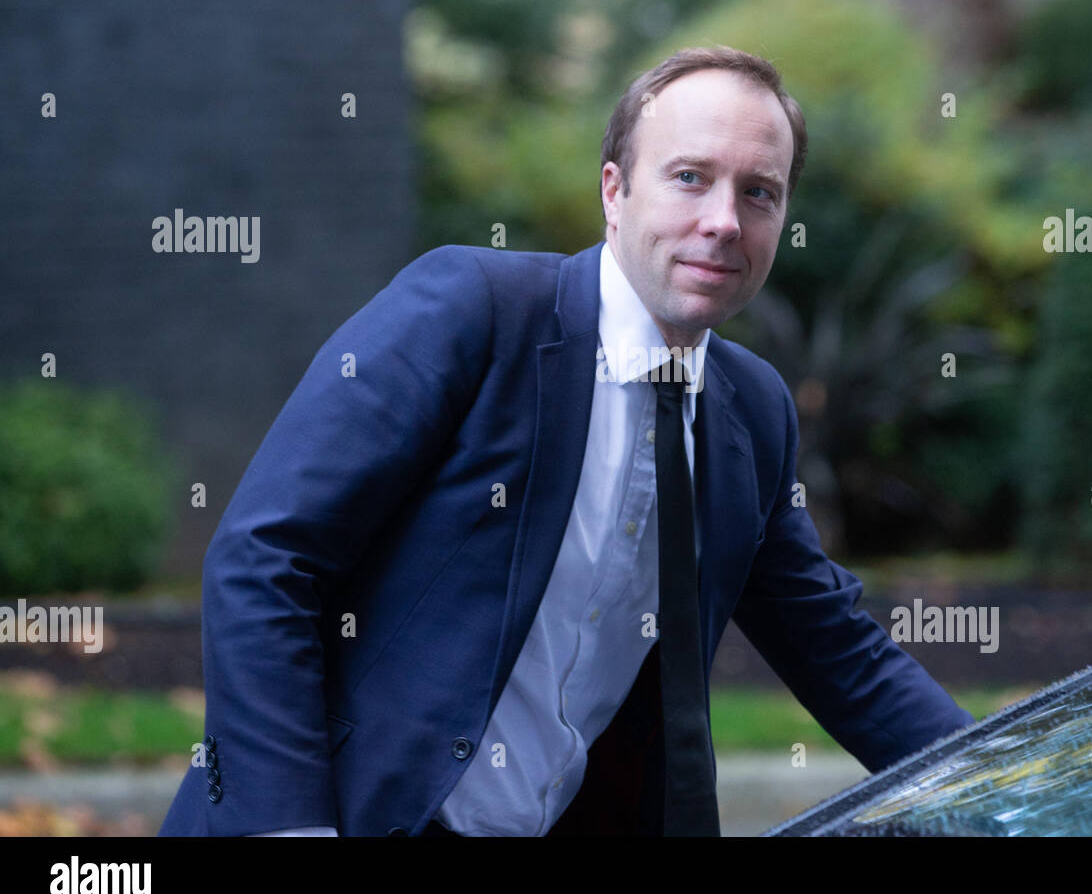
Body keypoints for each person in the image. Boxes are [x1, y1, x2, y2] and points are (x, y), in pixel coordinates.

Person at [158, 45, 974, 838]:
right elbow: (265, 560)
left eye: (759, 192)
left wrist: (1011, 788)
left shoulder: (752, 410)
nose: (724, 221)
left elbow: (841, 653)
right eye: (690, 177)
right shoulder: (475, 313)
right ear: (614, 192)